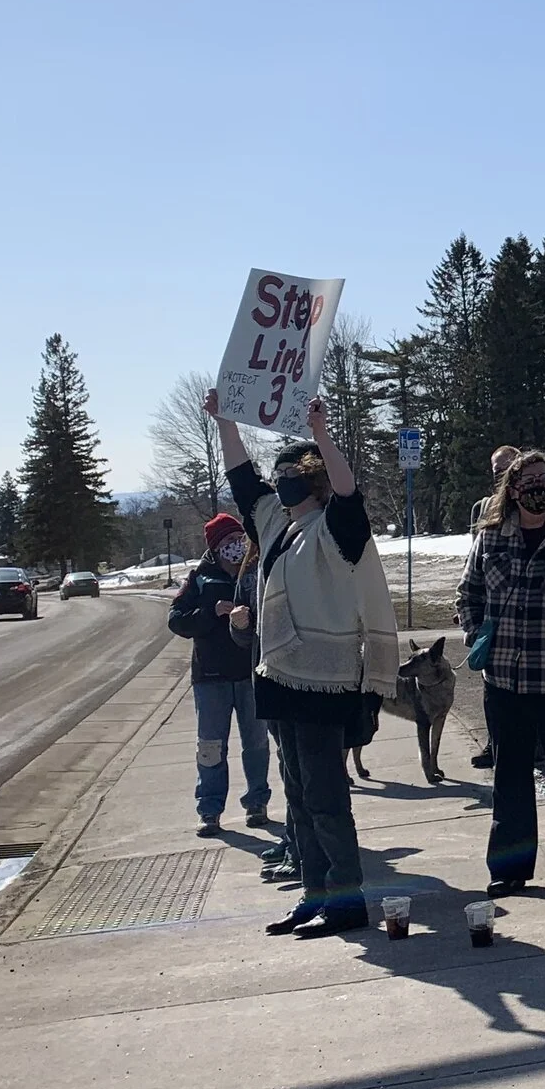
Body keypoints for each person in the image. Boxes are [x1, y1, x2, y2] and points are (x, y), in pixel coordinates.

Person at [211, 389, 398, 938]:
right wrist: (225, 422)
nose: (282, 481)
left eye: (293, 475)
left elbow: (349, 491)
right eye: (280, 475)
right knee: (296, 794)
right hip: (280, 678)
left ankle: (346, 899)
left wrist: (322, 436)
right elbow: (242, 479)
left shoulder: (336, 528)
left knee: (325, 796)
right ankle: (314, 895)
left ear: (314, 482)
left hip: (325, 682)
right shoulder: (275, 522)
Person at [458, 450, 545, 895]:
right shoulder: (491, 535)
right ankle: (509, 868)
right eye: (528, 480)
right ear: (512, 490)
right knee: (510, 777)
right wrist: (477, 636)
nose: (538, 487)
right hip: (505, 681)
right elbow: (468, 593)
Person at [166, 513, 270, 836]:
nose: (236, 546)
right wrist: (211, 612)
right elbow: (176, 620)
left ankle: (257, 803)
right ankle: (209, 810)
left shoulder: (255, 572)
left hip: (251, 673)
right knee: (210, 746)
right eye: (228, 541)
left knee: (256, 743)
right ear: (215, 547)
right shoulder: (200, 578)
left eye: (239, 539)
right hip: (210, 677)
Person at [470, 444, 526, 775]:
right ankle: (495, 743)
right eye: (496, 471)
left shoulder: (537, 505)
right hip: (493, 610)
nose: (502, 475)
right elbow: (473, 562)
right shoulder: (484, 508)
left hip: (526, 608)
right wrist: (471, 617)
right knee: (492, 683)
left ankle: (534, 747)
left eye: (508, 468)